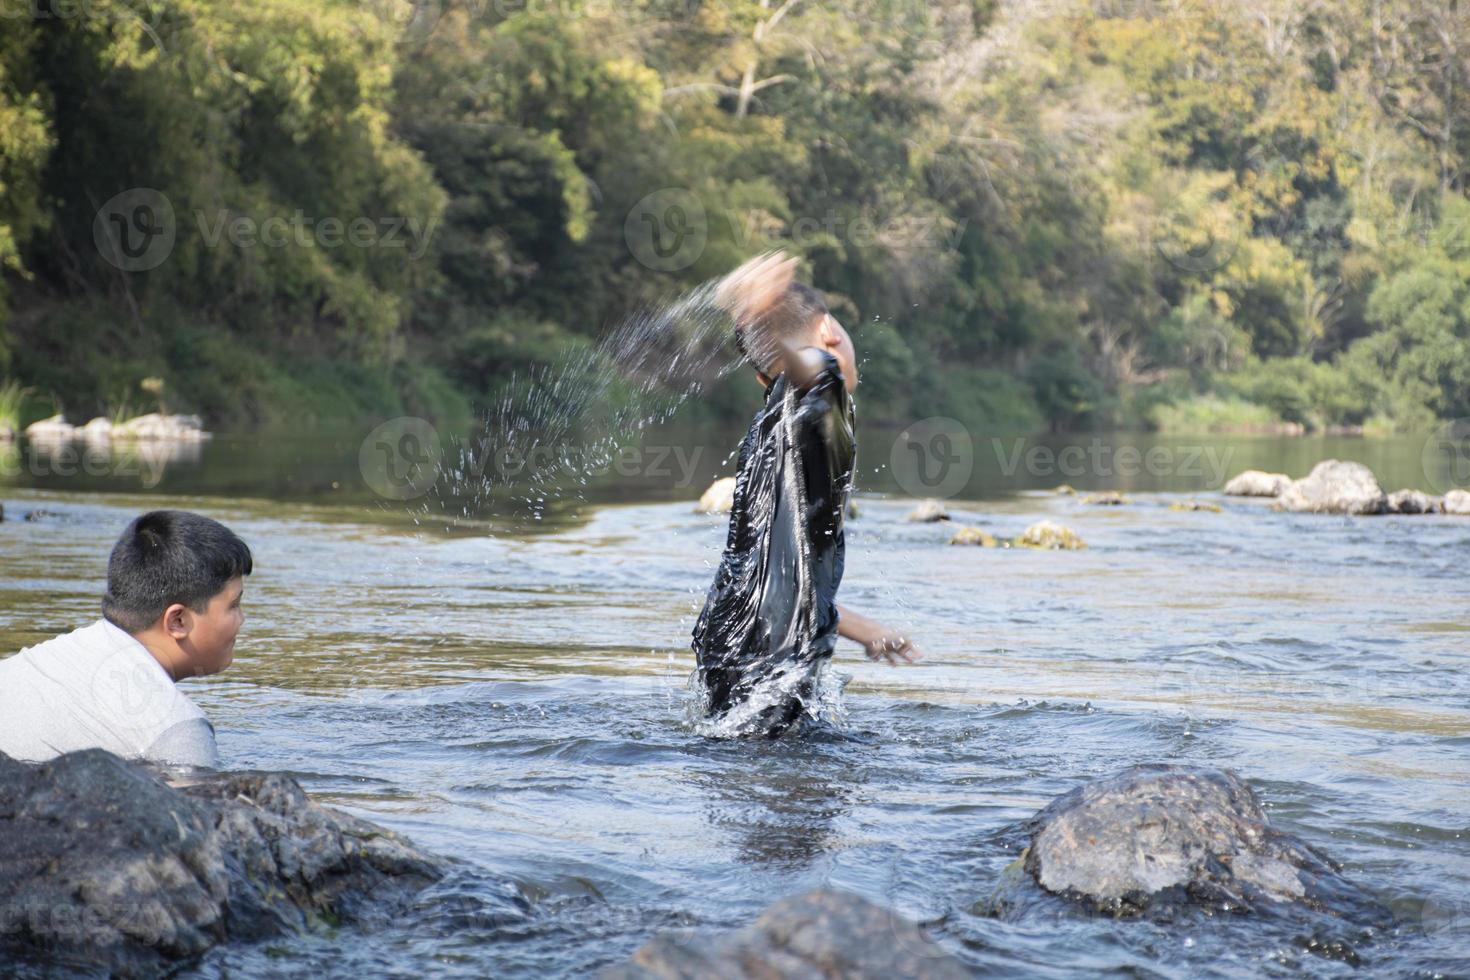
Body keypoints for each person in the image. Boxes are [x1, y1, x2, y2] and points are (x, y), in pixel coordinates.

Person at [693, 251, 922, 736]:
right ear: (830, 332)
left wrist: (861, 628)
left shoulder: (770, 430)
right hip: (773, 657)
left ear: (760, 378)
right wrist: (770, 319)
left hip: (728, 647)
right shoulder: (823, 386)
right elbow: (816, 371)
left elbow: (777, 574)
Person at [0, 510, 250, 768]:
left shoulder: (42, 661)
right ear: (177, 621)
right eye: (234, 605)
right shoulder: (175, 729)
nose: (242, 618)